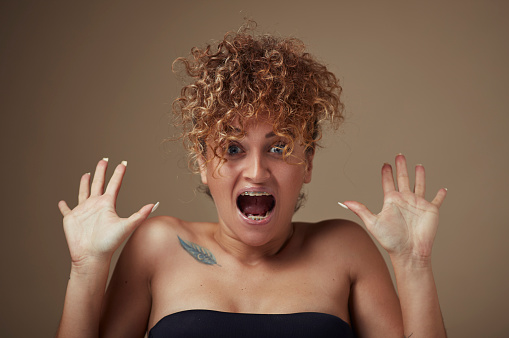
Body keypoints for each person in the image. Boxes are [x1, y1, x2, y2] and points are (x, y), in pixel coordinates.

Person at [56, 25, 448, 338]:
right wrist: (86, 269)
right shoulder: (156, 247)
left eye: (279, 148)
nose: (257, 171)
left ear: (308, 162)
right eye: (232, 148)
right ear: (200, 161)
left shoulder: (347, 250)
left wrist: (414, 264)